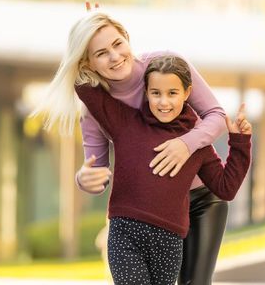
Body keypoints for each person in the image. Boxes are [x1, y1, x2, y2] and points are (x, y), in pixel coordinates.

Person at [32, 9, 230, 284]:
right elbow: (95, 170)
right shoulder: (95, 110)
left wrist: (185, 145)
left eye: (117, 44)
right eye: (101, 53)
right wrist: (84, 178)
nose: (115, 56)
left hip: (201, 200)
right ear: (87, 64)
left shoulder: (168, 65)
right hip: (149, 214)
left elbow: (217, 116)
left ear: (127, 38)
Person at [74, 55, 252, 284]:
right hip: (126, 235)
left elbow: (225, 188)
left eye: (172, 93)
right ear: (145, 92)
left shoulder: (197, 146)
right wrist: (124, 57)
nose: (163, 102)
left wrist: (240, 142)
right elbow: (83, 86)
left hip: (168, 241)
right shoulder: (125, 122)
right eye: (156, 93)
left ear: (187, 93)